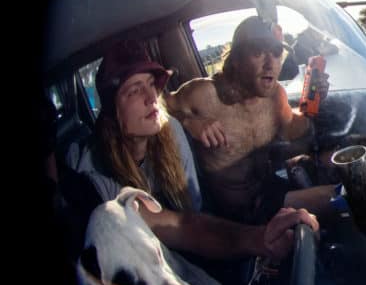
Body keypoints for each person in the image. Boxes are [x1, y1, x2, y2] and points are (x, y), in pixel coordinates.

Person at [70, 39, 318, 264]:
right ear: (112, 112)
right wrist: (256, 239)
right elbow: (183, 226)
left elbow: (192, 213)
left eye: (151, 85)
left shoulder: (171, 132)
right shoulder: (95, 173)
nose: (151, 97)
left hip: (210, 238)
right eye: (134, 90)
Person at [165, 16, 337, 227]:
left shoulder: (275, 95)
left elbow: (298, 134)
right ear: (236, 60)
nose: (270, 64)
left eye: (276, 53)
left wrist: (313, 101)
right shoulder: (204, 94)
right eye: (258, 52)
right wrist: (188, 121)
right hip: (232, 214)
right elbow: (160, 103)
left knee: (339, 167)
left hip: (269, 189)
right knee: (337, 197)